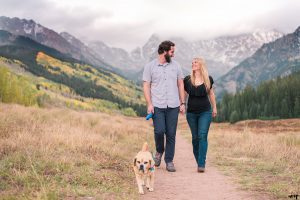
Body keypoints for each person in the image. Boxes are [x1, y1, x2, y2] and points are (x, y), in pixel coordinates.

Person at [143, 40, 185, 172]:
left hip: (173, 105)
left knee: (171, 133)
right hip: (157, 105)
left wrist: (182, 102)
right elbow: (146, 85)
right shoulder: (150, 67)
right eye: (172, 52)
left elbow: (180, 84)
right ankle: (159, 151)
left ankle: (169, 161)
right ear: (165, 51)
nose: (173, 55)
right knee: (159, 131)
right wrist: (149, 104)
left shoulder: (176, 66)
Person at [184, 57, 217, 173]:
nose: (193, 64)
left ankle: (201, 164)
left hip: (205, 112)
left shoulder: (208, 79)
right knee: (195, 138)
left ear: (201, 64)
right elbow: (184, 94)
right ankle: (199, 161)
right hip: (191, 113)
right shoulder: (187, 80)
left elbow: (211, 94)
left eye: (195, 62)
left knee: (202, 135)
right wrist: (182, 104)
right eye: (192, 62)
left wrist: (214, 107)